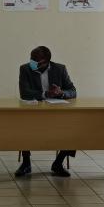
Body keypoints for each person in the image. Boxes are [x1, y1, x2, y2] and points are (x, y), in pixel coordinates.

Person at [15, 45, 77, 177]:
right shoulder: (25, 69)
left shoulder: (60, 69)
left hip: (56, 112)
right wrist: (45, 94)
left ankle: (58, 163)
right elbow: (24, 93)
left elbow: (73, 91)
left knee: (73, 127)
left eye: (35, 60)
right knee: (24, 126)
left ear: (45, 61)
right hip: (33, 112)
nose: (32, 62)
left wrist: (61, 93)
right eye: (31, 59)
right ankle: (26, 163)